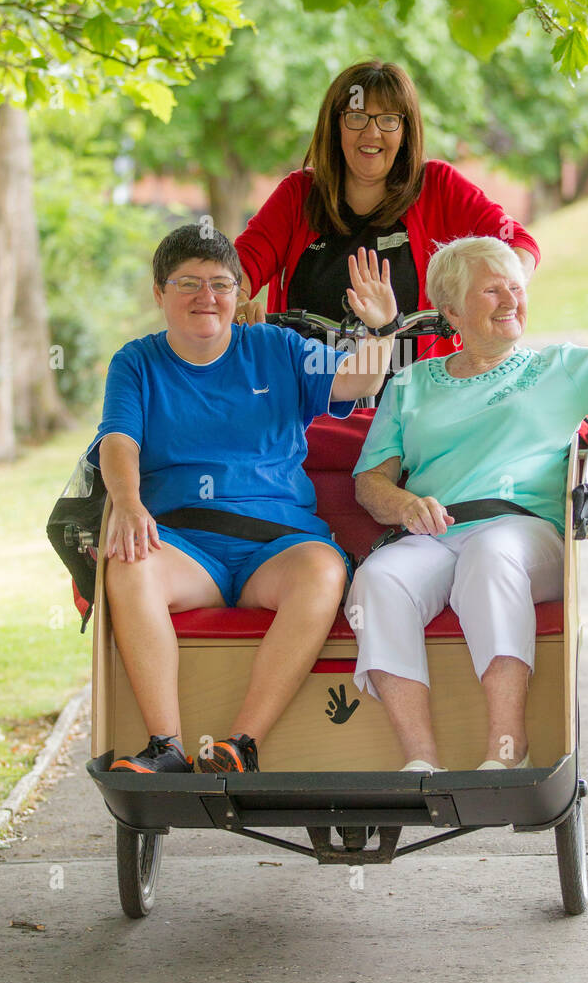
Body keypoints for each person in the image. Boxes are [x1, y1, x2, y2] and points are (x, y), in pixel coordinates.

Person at [347, 215, 588, 772]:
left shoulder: (561, 366)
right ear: (451, 311)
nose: (510, 300)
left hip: (526, 536)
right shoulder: (411, 383)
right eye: (492, 289)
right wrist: (405, 505)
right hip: (435, 533)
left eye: (517, 288)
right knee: (377, 579)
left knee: (491, 552)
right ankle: (420, 764)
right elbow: (369, 482)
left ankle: (507, 751)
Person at [88, 224, 400, 775]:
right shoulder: (135, 363)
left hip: (276, 543)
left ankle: (242, 744)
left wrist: (381, 328)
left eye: (221, 284)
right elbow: (118, 441)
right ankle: (166, 746)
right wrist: (129, 502)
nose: (206, 297)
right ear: (159, 293)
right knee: (129, 564)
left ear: (239, 295)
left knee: (324, 572)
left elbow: (358, 381)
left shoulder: (274, 348)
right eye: (188, 283)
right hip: (183, 543)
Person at [233, 59, 541, 379]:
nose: (372, 132)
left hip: (415, 409)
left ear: (406, 130)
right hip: (312, 405)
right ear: (335, 125)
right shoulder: (298, 195)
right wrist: (237, 298)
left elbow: (517, 242)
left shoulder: (437, 186)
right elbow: (234, 269)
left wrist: (504, 291)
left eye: (388, 119)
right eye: (356, 117)